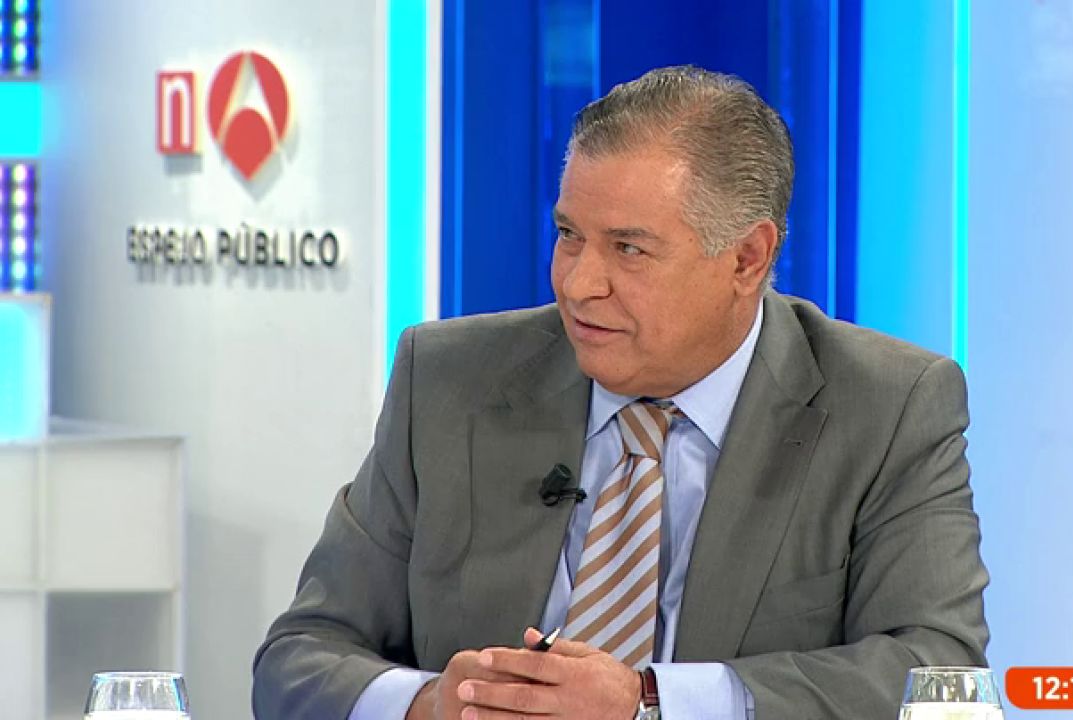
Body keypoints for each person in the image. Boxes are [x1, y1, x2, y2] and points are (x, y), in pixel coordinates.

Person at [252, 65, 989, 720]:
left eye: (628, 248)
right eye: (569, 234)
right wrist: (432, 705)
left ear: (747, 257)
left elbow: (941, 675)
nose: (578, 283)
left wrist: (650, 702)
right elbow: (299, 659)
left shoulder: (888, 407)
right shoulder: (448, 379)